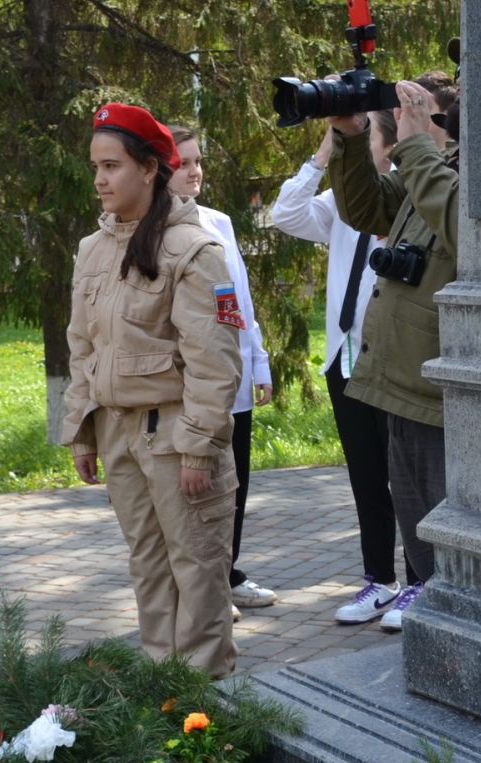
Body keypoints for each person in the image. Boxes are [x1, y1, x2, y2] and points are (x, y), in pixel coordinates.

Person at [58, 103, 242, 677]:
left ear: (148, 170)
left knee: (198, 565)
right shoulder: (94, 250)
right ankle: (164, 691)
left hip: (174, 434)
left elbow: (214, 360)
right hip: (118, 433)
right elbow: (83, 347)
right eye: (95, 167)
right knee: (148, 564)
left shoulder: (195, 250)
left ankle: (206, 703)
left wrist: (198, 446)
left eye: (111, 166)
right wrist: (82, 430)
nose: (99, 180)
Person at [272, 108, 416, 625]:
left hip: (394, 361)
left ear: (387, 141)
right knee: (366, 478)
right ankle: (379, 580)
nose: (355, 139)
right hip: (345, 361)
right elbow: (284, 215)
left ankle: (420, 583)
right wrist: (324, 153)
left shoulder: (410, 197)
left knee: (408, 480)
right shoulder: (341, 202)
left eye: (364, 132)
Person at [328, 71, 459, 633]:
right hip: (401, 379)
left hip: (436, 388)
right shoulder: (438, 168)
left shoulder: (465, 169)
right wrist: (351, 135)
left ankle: (449, 632)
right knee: (420, 535)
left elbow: (462, 224)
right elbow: (364, 208)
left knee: (443, 540)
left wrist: (416, 145)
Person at [168, 126, 276, 617]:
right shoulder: (152, 231)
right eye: (182, 163)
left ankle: (227, 574)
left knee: (236, 481)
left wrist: (258, 363)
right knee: (193, 486)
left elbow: (239, 303)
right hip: (186, 382)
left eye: (197, 161)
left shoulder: (219, 222)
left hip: (230, 378)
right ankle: (198, 587)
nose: (193, 172)